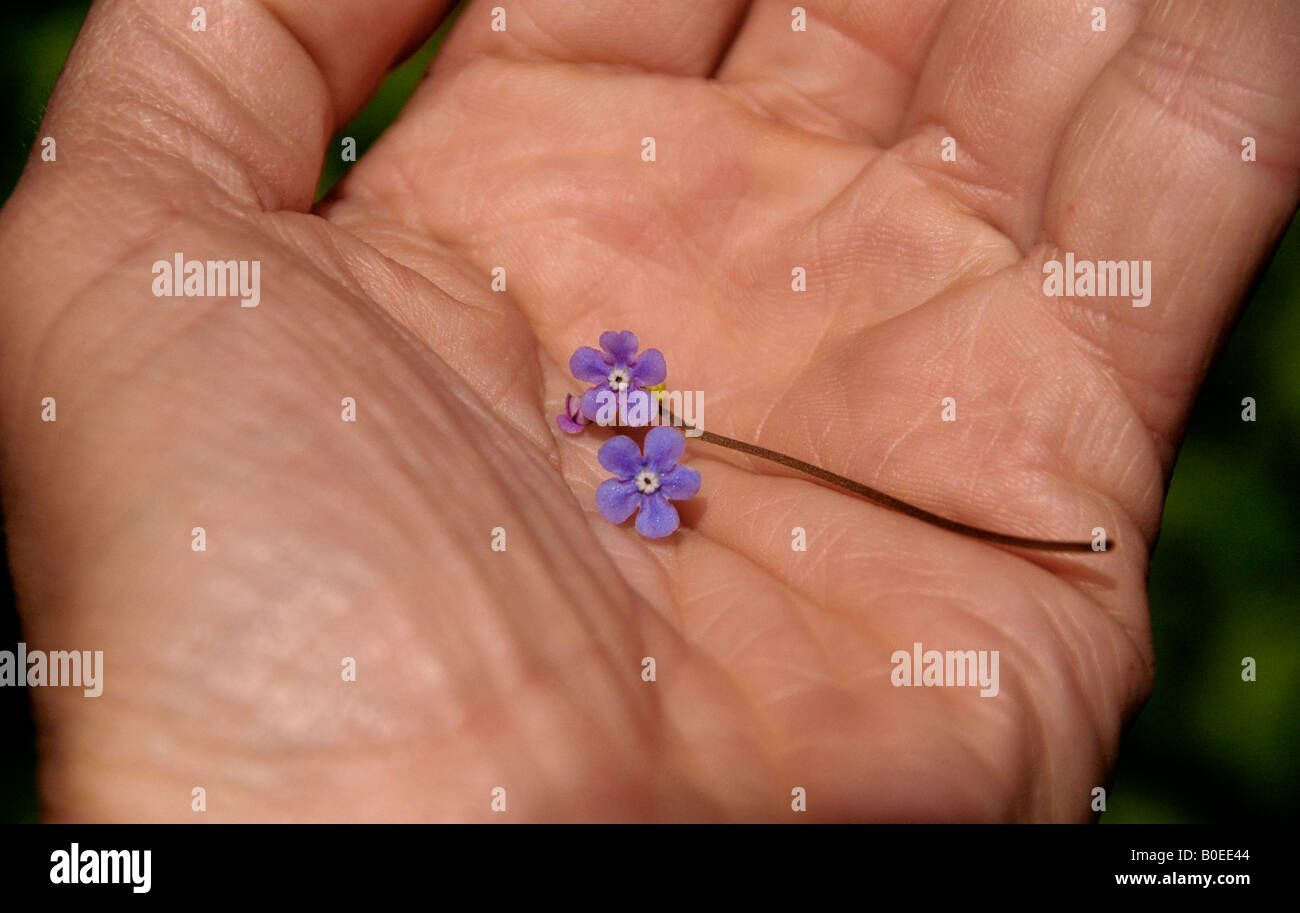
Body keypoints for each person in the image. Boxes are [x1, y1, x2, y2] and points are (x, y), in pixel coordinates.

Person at [0, 0, 1295, 822]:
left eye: (638, 458)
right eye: (637, 465)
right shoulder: (632, 457)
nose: (633, 459)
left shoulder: (642, 442)